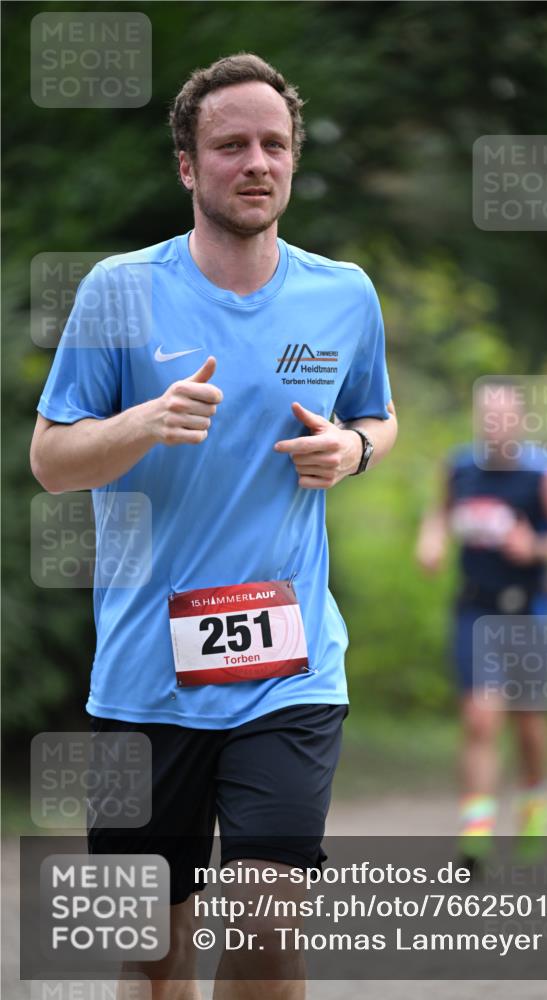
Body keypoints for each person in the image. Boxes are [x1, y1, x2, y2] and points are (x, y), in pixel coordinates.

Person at [30, 52, 397, 1000]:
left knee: (269, 917)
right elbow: (51, 459)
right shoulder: (119, 291)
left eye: (274, 144)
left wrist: (353, 451)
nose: (256, 162)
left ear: (293, 161)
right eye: (230, 145)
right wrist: (140, 423)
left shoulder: (343, 294)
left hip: (290, 665)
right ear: (189, 167)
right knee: (154, 955)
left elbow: (377, 416)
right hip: (144, 678)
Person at [416, 380, 547, 872]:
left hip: (527, 610)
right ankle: (476, 839)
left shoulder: (544, 474)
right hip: (475, 610)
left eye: (503, 416)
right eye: (486, 416)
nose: (494, 426)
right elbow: (440, 512)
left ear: (521, 420)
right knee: (480, 718)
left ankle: (535, 806)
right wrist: (431, 541)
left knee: (529, 724)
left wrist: (535, 547)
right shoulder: (460, 467)